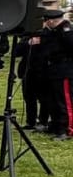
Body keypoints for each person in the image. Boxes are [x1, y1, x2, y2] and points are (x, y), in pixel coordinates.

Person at [37, 7, 73, 137]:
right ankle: (55, 125)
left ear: (51, 21)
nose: (45, 23)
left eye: (47, 21)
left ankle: (66, 129)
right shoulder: (53, 31)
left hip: (64, 70)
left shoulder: (66, 30)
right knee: (52, 100)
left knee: (64, 101)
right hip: (52, 70)